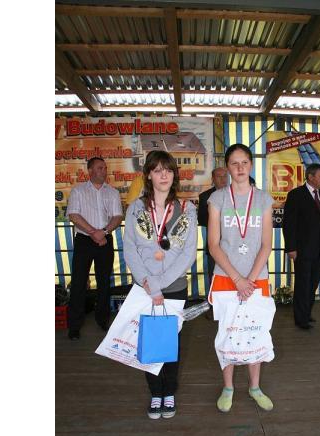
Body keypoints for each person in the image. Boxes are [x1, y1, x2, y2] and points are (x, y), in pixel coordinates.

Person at [123, 150, 197, 420]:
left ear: (174, 175)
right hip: (144, 288)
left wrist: (160, 285)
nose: (163, 175)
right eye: (157, 170)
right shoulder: (135, 208)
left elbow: (188, 253)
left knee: (171, 342)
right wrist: (149, 284)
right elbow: (130, 249)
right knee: (149, 341)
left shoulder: (187, 209)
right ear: (148, 175)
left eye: (168, 170)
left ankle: (169, 392)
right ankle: (155, 393)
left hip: (174, 287)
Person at [207, 143, 274, 413]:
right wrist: (238, 279)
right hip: (227, 277)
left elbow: (266, 244)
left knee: (256, 331)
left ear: (251, 165)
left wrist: (250, 280)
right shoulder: (218, 199)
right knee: (229, 333)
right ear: (227, 168)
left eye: (244, 162)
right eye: (234, 163)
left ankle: (255, 387)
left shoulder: (264, 199)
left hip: (257, 278)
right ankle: (228, 387)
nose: (240, 168)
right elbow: (214, 245)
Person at [66, 157, 123, 341]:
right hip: (84, 240)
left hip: (105, 240)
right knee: (79, 282)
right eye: (100, 168)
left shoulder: (112, 192)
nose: (104, 171)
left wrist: (103, 232)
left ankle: (103, 320)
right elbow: (73, 215)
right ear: (90, 171)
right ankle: (74, 326)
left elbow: (117, 216)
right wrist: (93, 232)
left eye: (105, 168)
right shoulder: (78, 190)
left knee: (104, 281)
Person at [282, 164, 320, 330]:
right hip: (302, 249)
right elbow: (289, 224)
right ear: (310, 177)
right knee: (303, 284)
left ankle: (307, 313)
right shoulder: (296, 195)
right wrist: (291, 248)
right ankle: (301, 319)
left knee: (313, 283)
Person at [198, 167, 228, 283]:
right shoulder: (205, 196)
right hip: (214, 243)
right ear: (213, 179)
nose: (222, 179)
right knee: (214, 277)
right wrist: (215, 217)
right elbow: (201, 220)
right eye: (219, 176)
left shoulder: (235, 193)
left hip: (234, 244)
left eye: (224, 176)